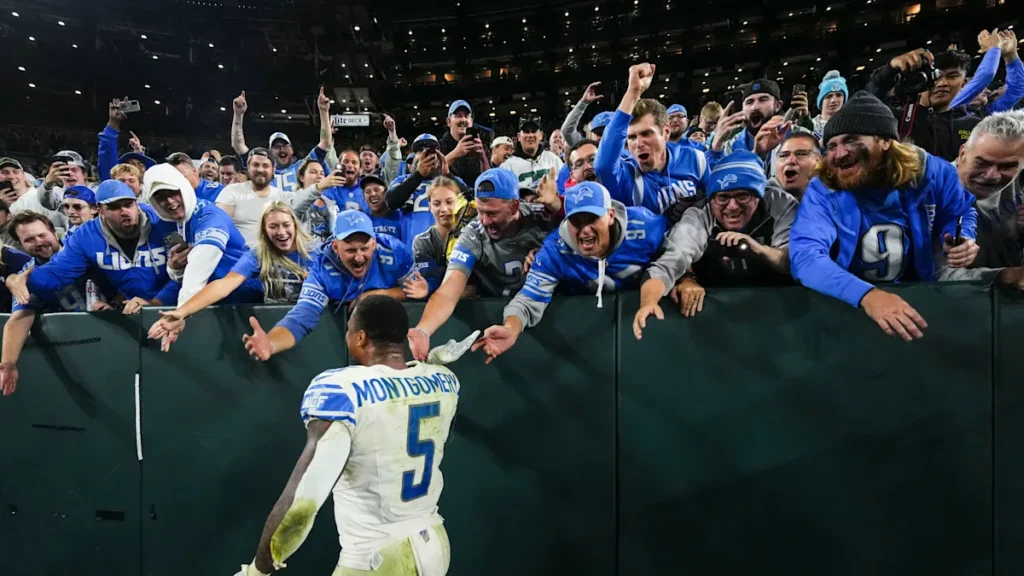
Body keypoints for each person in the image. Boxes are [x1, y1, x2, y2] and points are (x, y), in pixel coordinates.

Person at [234, 295, 459, 576]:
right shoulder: (443, 379)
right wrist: (432, 366)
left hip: (376, 555)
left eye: (350, 330)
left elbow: (303, 502)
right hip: (435, 543)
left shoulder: (342, 391)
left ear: (361, 337)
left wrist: (258, 569)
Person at [789, 91, 980, 341]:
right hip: (847, 308)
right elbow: (805, 256)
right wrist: (868, 295)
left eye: (852, 140)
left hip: (917, 307)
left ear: (886, 141)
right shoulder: (824, 188)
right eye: (832, 146)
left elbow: (962, 210)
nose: (839, 153)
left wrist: (963, 236)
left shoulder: (931, 173)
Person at [471, 181, 667, 364]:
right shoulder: (555, 248)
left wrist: (687, 279)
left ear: (610, 215)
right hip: (588, 340)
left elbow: (676, 252)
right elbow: (529, 298)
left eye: (592, 219)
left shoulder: (646, 227)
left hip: (647, 335)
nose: (585, 230)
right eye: (576, 221)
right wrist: (511, 328)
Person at [407, 169, 561, 360]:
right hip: (499, 325)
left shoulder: (543, 219)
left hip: (553, 317)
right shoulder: (473, 234)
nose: (485, 221)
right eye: (480, 212)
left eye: (493, 213)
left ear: (514, 206)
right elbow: (449, 290)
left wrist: (548, 248)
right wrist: (423, 330)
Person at [632, 151, 798, 327]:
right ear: (711, 199)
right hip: (717, 320)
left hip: (779, 312)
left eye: (742, 195)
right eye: (722, 197)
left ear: (759, 195)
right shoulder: (700, 214)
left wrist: (759, 250)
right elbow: (668, 263)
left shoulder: (781, 204)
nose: (732, 207)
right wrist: (649, 303)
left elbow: (793, 262)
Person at [242, 210, 415, 361]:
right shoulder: (322, 269)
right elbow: (303, 314)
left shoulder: (395, 251)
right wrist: (271, 344)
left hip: (395, 340)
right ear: (335, 246)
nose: (359, 257)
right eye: (350, 250)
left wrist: (378, 295)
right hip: (347, 343)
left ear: (374, 243)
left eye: (364, 249)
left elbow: (417, 290)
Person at [147, 202, 315, 351]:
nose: (281, 232)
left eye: (286, 225)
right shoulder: (257, 255)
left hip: (314, 325)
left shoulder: (317, 253)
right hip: (274, 326)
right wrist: (182, 312)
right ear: (264, 230)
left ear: (295, 225)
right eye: (273, 226)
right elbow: (224, 285)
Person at [9, 180, 178, 314]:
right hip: (130, 311)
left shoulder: (165, 223)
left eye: (128, 204)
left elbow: (186, 272)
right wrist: (23, 279)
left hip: (177, 308)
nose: (124, 211)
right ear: (99, 210)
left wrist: (156, 302)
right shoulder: (86, 236)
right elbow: (57, 273)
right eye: (113, 207)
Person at [1, 212, 109, 396]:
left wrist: (115, 304)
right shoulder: (27, 276)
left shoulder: (86, 251)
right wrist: (8, 362)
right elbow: (19, 318)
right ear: (20, 244)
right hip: (77, 349)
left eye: (42, 235)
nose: (39, 242)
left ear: (54, 232)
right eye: (29, 239)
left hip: (114, 337)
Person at [595, 63, 709, 214]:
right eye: (631, 137)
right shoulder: (627, 175)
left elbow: (717, 202)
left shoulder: (695, 160)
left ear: (666, 132)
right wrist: (633, 92)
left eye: (646, 133)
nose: (638, 143)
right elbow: (603, 166)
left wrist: (703, 205)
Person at [144, 163, 260, 307]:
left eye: (173, 192)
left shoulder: (209, 215)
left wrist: (182, 311)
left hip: (245, 295)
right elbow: (184, 277)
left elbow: (201, 263)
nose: (169, 201)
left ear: (184, 189)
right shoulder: (166, 223)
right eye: (160, 197)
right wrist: (175, 269)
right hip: (209, 299)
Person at [952, 111, 1024, 271]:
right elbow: (937, 275)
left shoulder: (1020, 181)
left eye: (1007, 166)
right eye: (981, 163)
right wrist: (1006, 276)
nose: (991, 175)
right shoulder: (933, 193)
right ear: (963, 153)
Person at [216, 148, 323, 248]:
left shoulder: (283, 197)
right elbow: (219, 227)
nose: (260, 169)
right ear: (248, 166)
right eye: (256, 165)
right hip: (238, 257)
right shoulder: (231, 191)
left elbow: (302, 201)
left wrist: (321, 186)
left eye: (265, 166)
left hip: (275, 260)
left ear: (273, 169)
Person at [386, 134, 469, 242]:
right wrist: (419, 175)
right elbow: (391, 202)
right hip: (413, 251)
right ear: (413, 156)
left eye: (432, 151)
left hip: (448, 250)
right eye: (420, 150)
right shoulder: (402, 180)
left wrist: (448, 175)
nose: (426, 155)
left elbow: (471, 202)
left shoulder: (450, 181)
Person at [499, 116, 564, 186]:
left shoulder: (553, 159)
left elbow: (565, 188)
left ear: (540, 135)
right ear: (519, 137)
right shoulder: (508, 166)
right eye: (526, 131)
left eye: (533, 131)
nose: (530, 135)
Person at [439, 100, 489, 186]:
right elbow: (431, 175)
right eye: (458, 116)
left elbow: (489, 178)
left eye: (466, 116)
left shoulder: (480, 146)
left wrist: (483, 158)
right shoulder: (440, 146)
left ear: (471, 122)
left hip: (476, 196)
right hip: (449, 196)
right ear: (449, 121)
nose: (463, 120)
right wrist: (456, 153)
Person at [773, 130, 821, 201]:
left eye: (801, 154)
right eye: (783, 155)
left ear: (819, 160)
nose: (790, 161)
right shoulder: (763, 197)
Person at [361, 174, 404, 241]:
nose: (372, 194)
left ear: (386, 193)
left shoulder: (402, 217)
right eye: (367, 191)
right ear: (363, 197)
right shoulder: (362, 220)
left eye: (377, 189)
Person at [812, 70, 849, 135]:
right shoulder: (810, 126)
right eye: (828, 96)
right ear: (821, 101)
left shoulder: (850, 126)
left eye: (838, 95)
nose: (833, 100)